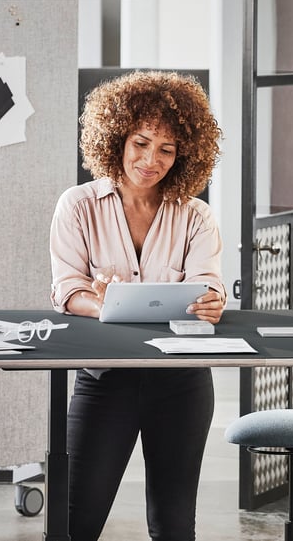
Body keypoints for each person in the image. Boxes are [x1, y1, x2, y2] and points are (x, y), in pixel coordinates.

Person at [49, 71, 226, 541]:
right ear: (116, 139)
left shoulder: (196, 214)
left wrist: (211, 301)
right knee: (74, 522)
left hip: (182, 383)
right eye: (141, 143)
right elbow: (67, 289)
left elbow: (207, 282)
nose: (151, 160)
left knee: (174, 526)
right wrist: (99, 302)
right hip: (105, 379)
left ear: (183, 154)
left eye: (166, 150)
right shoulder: (78, 205)